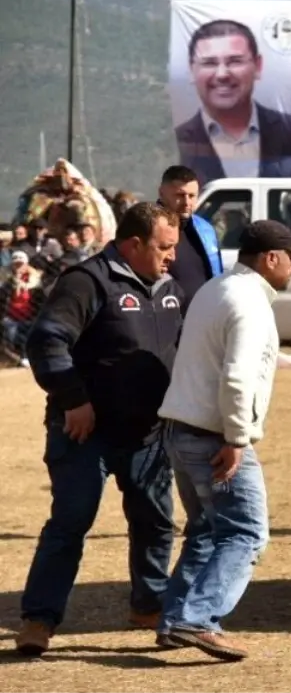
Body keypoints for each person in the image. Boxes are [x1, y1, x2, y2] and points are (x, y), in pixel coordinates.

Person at [14, 203, 184, 657]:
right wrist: (74, 400)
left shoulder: (172, 288)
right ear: (133, 245)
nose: (172, 256)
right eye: (164, 247)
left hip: (148, 434)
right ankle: (38, 620)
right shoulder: (86, 281)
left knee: (155, 522)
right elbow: (47, 340)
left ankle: (149, 606)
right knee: (70, 524)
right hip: (84, 433)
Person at [156, 220, 291, 661]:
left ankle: (174, 621)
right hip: (214, 435)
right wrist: (237, 436)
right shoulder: (249, 303)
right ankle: (197, 619)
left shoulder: (217, 289)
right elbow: (237, 375)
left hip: (180, 430)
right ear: (270, 259)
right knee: (246, 531)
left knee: (207, 530)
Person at [173, 19, 291, 184]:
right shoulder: (176, 143)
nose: (222, 74)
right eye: (209, 63)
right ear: (192, 70)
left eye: (235, 61)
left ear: (258, 66)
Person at [158, 165, 223, 312]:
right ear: (162, 193)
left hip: (204, 319)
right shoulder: (147, 227)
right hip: (163, 318)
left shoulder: (205, 229)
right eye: (180, 195)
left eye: (192, 196)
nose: (187, 202)